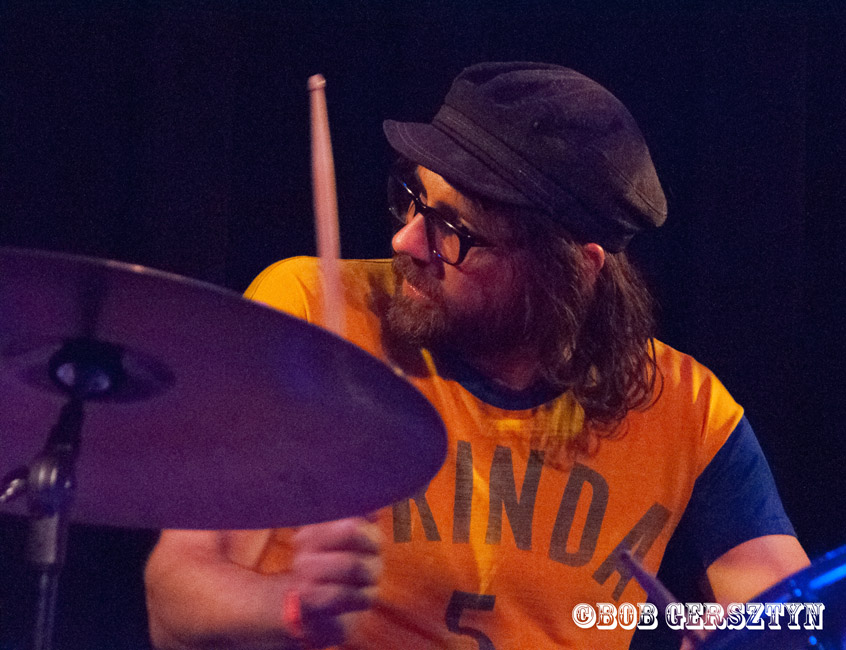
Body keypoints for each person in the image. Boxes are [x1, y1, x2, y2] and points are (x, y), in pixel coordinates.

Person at [144, 62, 809, 649]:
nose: (407, 241)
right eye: (412, 199)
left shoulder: (685, 409)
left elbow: (797, 613)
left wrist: (747, 639)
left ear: (574, 271)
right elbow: (174, 596)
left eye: (454, 232)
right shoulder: (315, 312)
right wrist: (290, 607)